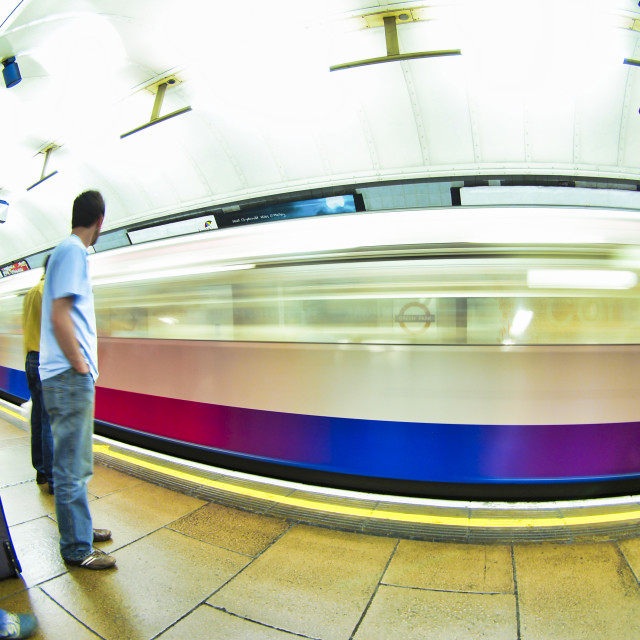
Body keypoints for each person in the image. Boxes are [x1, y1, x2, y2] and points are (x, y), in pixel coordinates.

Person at [40, 190, 115, 570]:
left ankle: (80, 531)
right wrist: (81, 365)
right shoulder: (72, 251)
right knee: (72, 465)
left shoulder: (67, 252)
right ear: (99, 220)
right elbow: (59, 315)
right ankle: (75, 548)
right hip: (70, 376)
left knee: (76, 461)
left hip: (67, 375)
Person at [22, 255, 54, 494]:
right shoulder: (50, 292)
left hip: (30, 358)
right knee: (49, 420)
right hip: (46, 359)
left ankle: (41, 470)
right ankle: (54, 478)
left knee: (37, 416)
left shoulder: (32, 292)